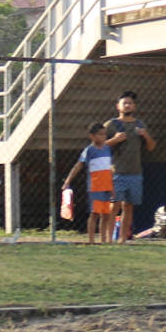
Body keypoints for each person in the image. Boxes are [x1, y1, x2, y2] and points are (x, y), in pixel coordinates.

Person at [105, 90, 156, 242]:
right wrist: (114, 140)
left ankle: (122, 238)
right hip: (116, 172)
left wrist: (145, 135)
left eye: (130, 103)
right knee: (114, 206)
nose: (127, 105)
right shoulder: (111, 125)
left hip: (135, 172)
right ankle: (108, 238)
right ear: (118, 106)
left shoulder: (140, 124)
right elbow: (98, 147)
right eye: (124, 103)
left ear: (134, 106)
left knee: (128, 206)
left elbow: (152, 147)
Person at [62, 122, 114, 243]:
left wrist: (113, 187)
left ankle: (104, 240)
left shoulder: (107, 149)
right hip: (95, 186)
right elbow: (78, 165)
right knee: (95, 213)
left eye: (104, 134)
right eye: (100, 134)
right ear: (92, 136)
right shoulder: (89, 150)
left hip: (107, 185)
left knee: (106, 214)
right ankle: (91, 240)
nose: (103, 137)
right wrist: (68, 181)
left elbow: (109, 168)